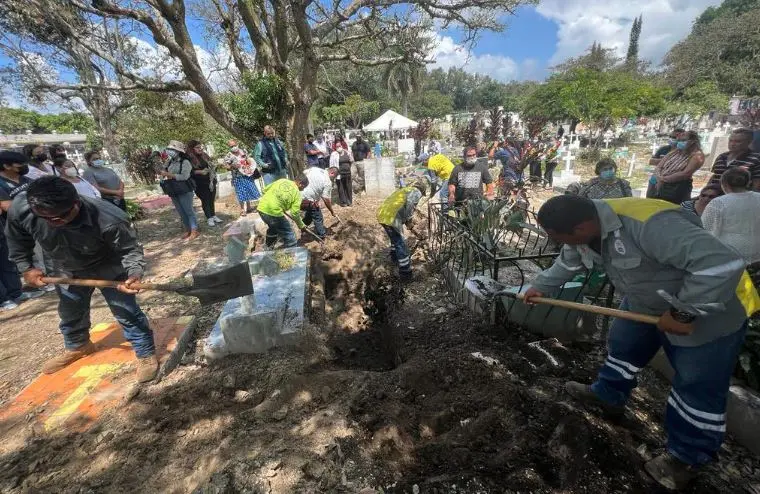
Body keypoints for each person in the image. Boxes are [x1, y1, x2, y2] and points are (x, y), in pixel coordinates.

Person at [524, 194, 759, 490]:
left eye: (559, 238)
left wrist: (683, 312)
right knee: (623, 343)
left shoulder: (650, 224)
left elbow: (722, 264)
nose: (559, 243)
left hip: (710, 306)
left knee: (696, 385)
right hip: (648, 300)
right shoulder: (584, 231)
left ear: (581, 228)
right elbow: (568, 262)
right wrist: (540, 287)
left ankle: (686, 458)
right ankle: (608, 395)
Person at [6, 176, 159, 383]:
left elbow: (130, 250)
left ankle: (145, 353)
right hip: (63, 267)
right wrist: (26, 268)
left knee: (126, 311)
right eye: (47, 219)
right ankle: (78, 346)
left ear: (76, 202)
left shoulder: (109, 217)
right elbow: (17, 239)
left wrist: (133, 274)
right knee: (71, 311)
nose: (55, 223)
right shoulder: (22, 207)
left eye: (61, 217)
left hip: (108, 266)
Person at [0, 151, 44, 311]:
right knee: (18, 258)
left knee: (10, 264)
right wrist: (35, 204)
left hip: (37, 223)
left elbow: (42, 195)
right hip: (16, 228)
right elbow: (6, 206)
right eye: (20, 164)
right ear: (6, 166)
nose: (24, 167)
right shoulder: (1, 183)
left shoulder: (25, 180)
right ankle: (4, 298)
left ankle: (17, 292)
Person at [702, 167, 760, 271]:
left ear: (724, 184)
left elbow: (705, 232)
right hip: (757, 255)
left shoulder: (719, 203)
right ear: (748, 183)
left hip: (728, 257)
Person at [377, 180, 427, 281]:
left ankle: (394, 259)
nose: (421, 197)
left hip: (383, 214)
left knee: (395, 239)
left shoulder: (404, 190)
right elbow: (409, 205)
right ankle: (405, 273)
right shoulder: (416, 192)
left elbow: (399, 204)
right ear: (422, 191)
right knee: (401, 244)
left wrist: (408, 222)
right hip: (391, 217)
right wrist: (409, 219)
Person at [647, 130, 705, 204]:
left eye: (683, 140)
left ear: (692, 141)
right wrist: (658, 177)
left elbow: (685, 173)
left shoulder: (697, 156)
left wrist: (663, 179)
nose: (679, 142)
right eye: (679, 140)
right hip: (656, 183)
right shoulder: (675, 152)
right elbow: (659, 166)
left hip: (674, 189)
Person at [159, 141, 199, 241]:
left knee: (188, 210)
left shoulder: (185, 162)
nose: (170, 151)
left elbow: (185, 176)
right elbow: (164, 171)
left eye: (172, 149)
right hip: (172, 189)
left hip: (184, 189)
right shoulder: (169, 161)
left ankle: (194, 230)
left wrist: (169, 175)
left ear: (178, 151)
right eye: (169, 149)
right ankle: (188, 229)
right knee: (180, 211)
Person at [257, 176, 309, 249]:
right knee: (290, 235)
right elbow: (295, 213)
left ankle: (268, 248)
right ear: (300, 184)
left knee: (273, 228)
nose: (303, 190)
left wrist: (276, 200)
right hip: (273, 212)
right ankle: (292, 256)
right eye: (304, 187)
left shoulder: (282, 180)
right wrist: (301, 225)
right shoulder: (297, 194)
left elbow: (264, 190)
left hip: (261, 208)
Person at [186, 140, 222, 227]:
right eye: (197, 147)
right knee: (205, 200)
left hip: (210, 180)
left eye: (200, 147)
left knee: (211, 199)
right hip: (200, 183)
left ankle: (213, 215)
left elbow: (210, 164)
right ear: (192, 149)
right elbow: (189, 172)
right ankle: (209, 218)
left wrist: (214, 166)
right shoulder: (189, 158)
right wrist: (200, 171)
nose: (200, 149)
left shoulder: (204, 155)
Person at [301, 162, 338, 239]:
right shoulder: (327, 182)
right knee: (318, 217)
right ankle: (322, 236)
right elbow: (326, 199)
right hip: (308, 199)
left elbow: (303, 173)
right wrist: (332, 211)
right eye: (334, 177)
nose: (333, 179)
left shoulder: (315, 169)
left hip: (299, 194)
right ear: (332, 173)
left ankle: (303, 227)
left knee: (310, 212)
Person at [224, 141, 261, 216]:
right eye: (231, 146)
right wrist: (233, 166)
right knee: (241, 192)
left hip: (247, 174)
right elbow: (226, 166)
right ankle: (242, 209)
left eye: (234, 145)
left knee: (248, 190)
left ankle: (249, 207)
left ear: (237, 144)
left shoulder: (243, 151)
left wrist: (249, 163)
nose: (234, 147)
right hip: (237, 176)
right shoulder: (228, 156)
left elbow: (248, 160)